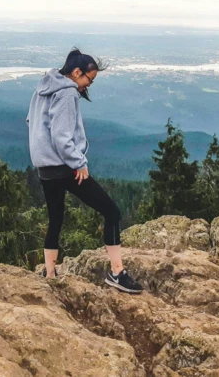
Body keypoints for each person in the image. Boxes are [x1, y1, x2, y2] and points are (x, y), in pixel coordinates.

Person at [26, 47, 143, 294]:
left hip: (45, 167)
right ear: (76, 72)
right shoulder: (66, 93)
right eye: (88, 80)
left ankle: (49, 274)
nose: (87, 85)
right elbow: (61, 136)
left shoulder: (42, 88)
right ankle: (117, 272)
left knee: (55, 218)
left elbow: (31, 122)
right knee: (112, 211)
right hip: (64, 167)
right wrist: (79, 163)